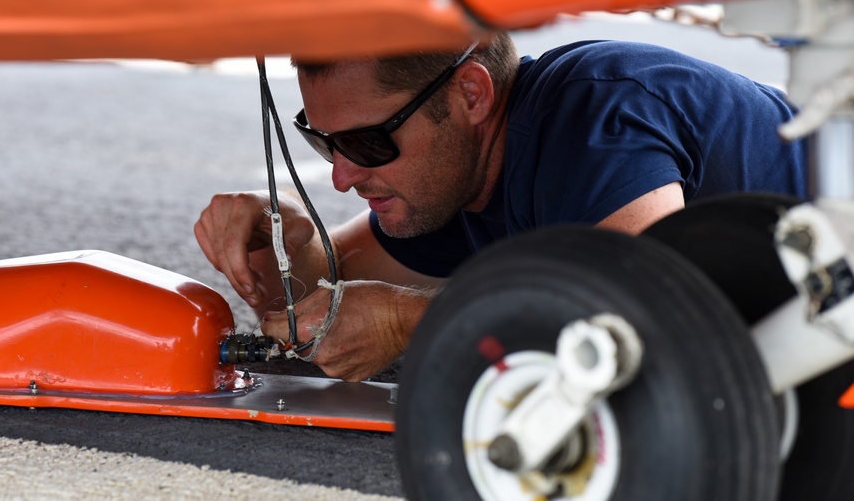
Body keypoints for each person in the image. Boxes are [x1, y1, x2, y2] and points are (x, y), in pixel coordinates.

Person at [194, 32, 806, 381]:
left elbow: (648, 313)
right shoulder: (452, 175)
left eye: (364, 143)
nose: (341, 176)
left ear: (470, 94)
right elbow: (325, 305)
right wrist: (282, 248)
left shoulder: (595, 118)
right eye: (322, 140)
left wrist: (408, 320)